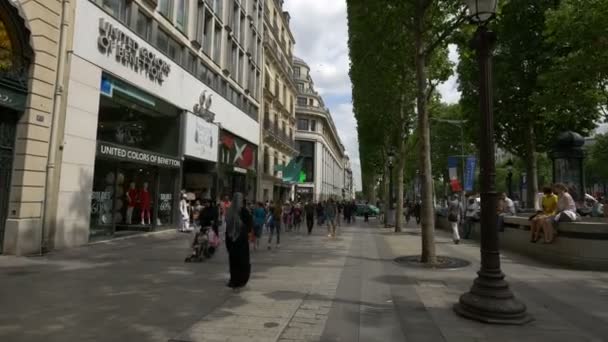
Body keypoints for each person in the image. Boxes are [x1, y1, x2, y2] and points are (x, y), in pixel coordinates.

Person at [225, 192, 252, 290]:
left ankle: (234, 280)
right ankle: (240, 280)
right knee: (242, 261)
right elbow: (249, 226)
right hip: (241, 242)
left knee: (233, 261)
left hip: (232, 240)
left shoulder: (230, 212)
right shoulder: (244, 211)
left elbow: (227, 227)